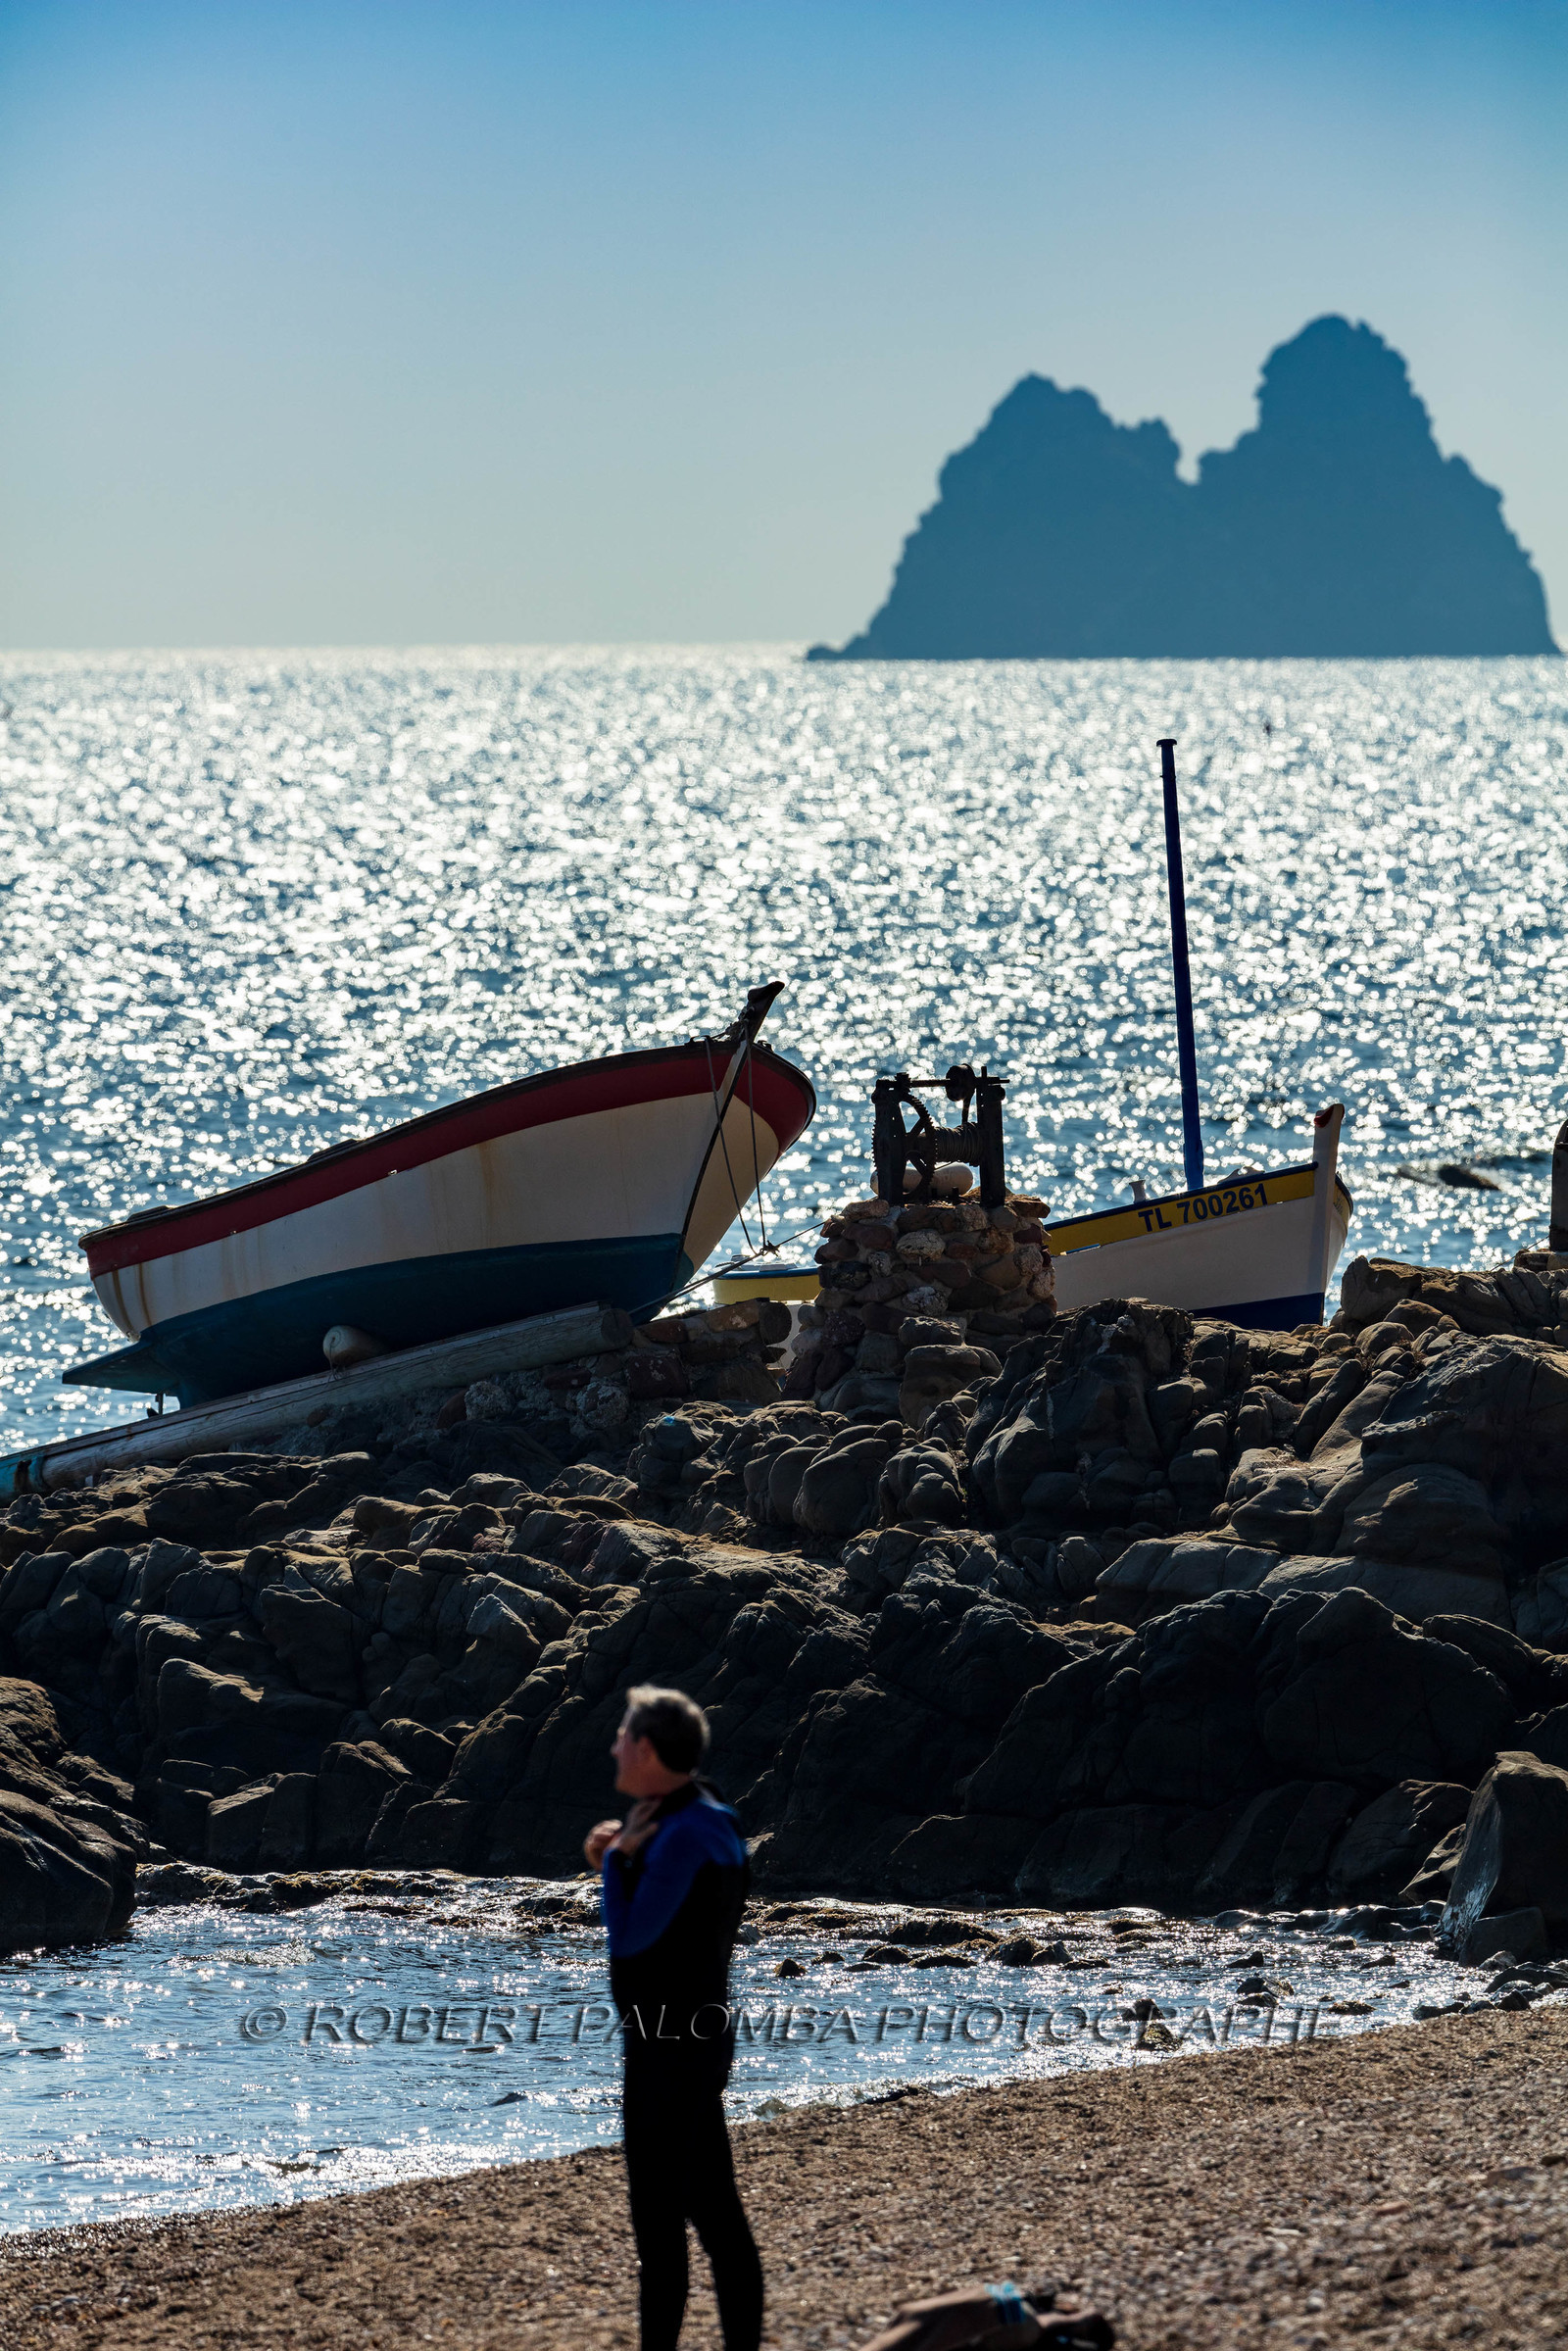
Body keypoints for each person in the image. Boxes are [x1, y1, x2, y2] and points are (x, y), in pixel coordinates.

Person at [584, 1684, 762, 2351]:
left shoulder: (680, 1834)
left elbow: (631, 1937)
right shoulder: (707, 1815)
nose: (614, 1745)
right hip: (695, 2040)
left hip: (668, 2051)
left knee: (662, 2228)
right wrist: (623, 1852)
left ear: (649, 1749)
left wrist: (618, 1863)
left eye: (623, 1734)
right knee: (715, 2213)